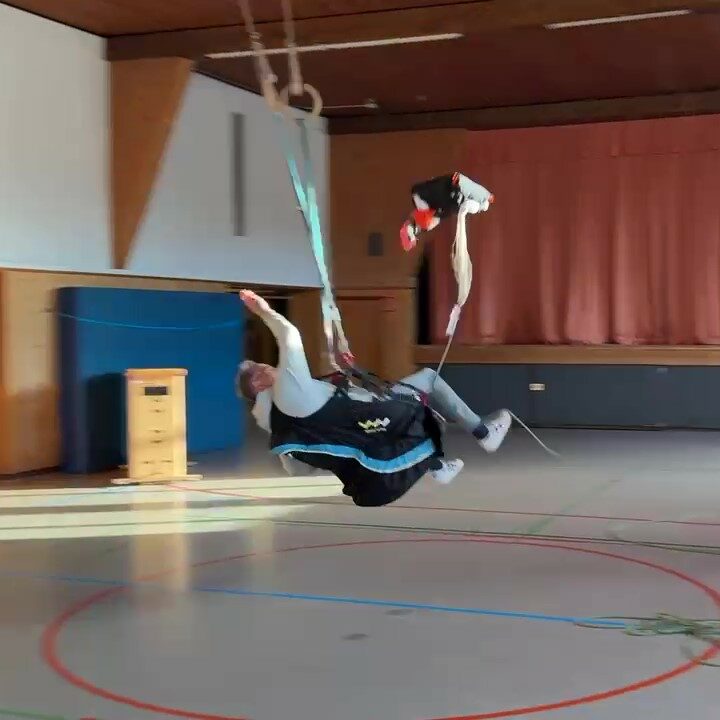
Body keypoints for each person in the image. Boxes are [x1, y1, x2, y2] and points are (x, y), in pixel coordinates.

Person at [236, 289, 511, 507]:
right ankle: (483, 433)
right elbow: (289, 335)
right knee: (426, 385)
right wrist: (263, 310)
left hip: (361, 423)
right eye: (265, 367)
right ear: (259, 381)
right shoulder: (286, 395)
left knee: (404, 419)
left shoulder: (279, 422)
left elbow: (297, 469)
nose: (272, 367)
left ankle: (437, 467)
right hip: (372, 412)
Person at [400, 172, 494, 251]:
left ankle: (411, 229)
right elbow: (462, 182)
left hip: (431, 197)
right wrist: (488, 196)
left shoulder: (458, 205)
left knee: (429, 222)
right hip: (430, 195)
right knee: (428, 221)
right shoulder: (470, 196)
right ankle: (411, 229)